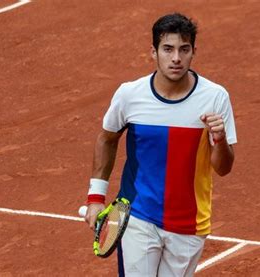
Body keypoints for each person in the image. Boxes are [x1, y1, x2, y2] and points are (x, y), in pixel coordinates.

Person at [82, 12, 237, 276]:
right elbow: (107, 138)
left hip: (189, 224)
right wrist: (96, 197)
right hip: (137, 215)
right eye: (168, 49)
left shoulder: (215, 98)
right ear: (153, 52)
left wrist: (219, 140)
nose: (176, 58)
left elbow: (223, 168)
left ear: (193, 52)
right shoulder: (130, 95)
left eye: (183, 49)